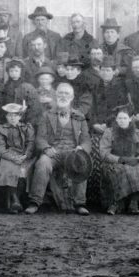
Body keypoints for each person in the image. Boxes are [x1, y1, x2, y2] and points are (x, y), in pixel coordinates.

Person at [25, 84, 92, 216]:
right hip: (53, 152)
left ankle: (80, 203)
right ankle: (35, 202)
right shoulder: (46, 115)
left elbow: (86, 140)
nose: (63, 96)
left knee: (82, 162)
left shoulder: (79, 116)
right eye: (60, 93)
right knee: (42, 163)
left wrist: (81, 148)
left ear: (72, 97)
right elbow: (40, 138)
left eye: (67, 94)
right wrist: (46, 148)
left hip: (72, 153)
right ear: (56, 95)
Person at [98, 105, 139, 215]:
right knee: (121, 170)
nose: (122, 121)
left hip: (132, 162)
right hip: (113, 162)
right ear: (116, 119)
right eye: (119, 118)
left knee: (136, 170)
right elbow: (103, 153)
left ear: (130, 119)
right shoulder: (109, 132)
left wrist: (137, 159)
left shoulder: (137, 133)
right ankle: (117, 202)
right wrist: (119, 159)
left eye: (124, 118)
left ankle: (134, 203)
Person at [0, 102, 34, 213]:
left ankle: (14, 201)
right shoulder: (0, 128)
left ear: (20, 116)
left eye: (15, 115)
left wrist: (25, 155)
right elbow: (0, 148)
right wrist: (13, 158)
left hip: (25, 156)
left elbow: (30, 143)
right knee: (9, 168)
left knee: (23, 171)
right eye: (10, 115)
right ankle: (15, 201)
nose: (12, 118)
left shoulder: (27, 127)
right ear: (6, 116)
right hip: (9, 155)